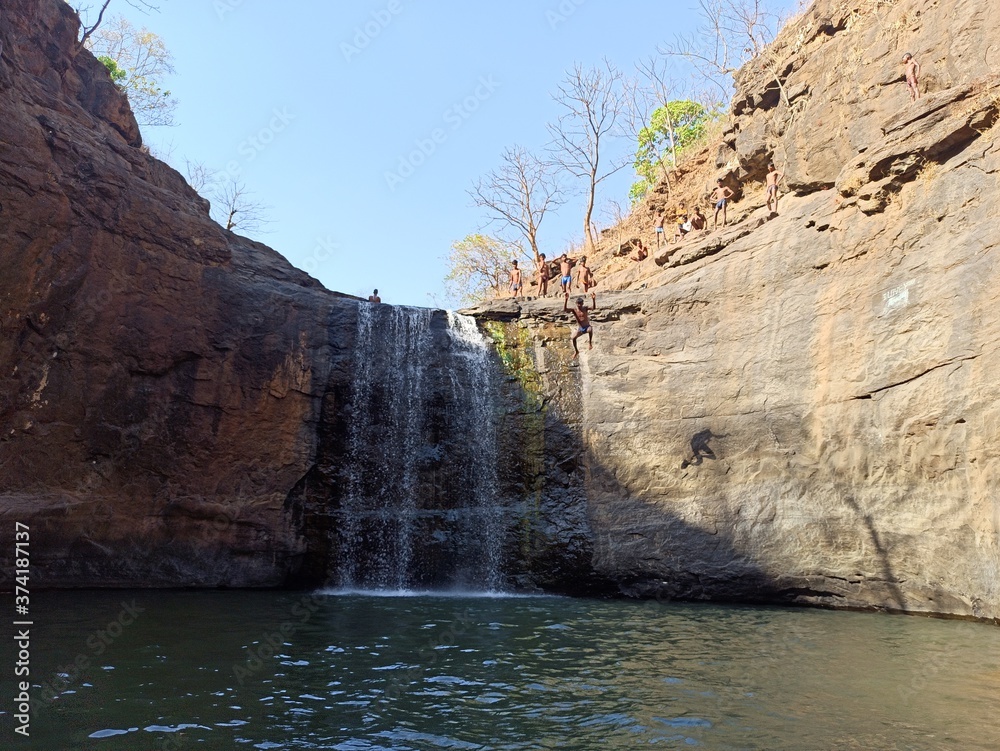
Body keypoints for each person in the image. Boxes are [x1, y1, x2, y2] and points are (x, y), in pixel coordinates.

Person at [564, 291, 597, 358]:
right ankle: (576, 351)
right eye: (578, 304)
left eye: (580, 304)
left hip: (587, 326)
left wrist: (593, 299)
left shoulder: (585, 308)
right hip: (580, 328)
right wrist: (566, 300)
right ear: (576, 303)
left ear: (582, 304)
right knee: (573, 338)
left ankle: (590, 343)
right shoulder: (574, 310)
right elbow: (565, 309)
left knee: (590, 329)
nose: (579, 305)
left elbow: (593, 308)